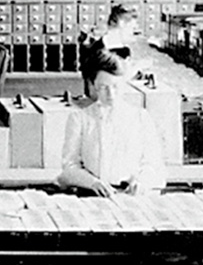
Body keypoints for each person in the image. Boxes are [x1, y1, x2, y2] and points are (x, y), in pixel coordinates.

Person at [57, 49, 167, 197]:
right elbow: (69, 167)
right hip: (92, 195)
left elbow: (154, 165)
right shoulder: (80, 119)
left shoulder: (140, 117)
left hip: (132, 197)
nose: (111, 94)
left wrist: (141, 182)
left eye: (115, 86)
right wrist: (92, 183)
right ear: (92, 85)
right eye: (103, 88)